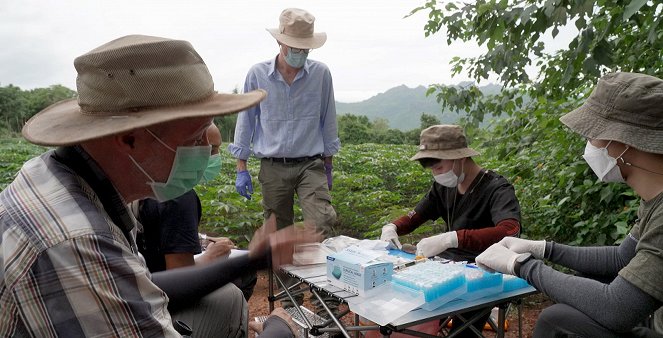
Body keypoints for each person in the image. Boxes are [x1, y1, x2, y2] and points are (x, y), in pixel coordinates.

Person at [0, 34, 319, 337]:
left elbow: (143, 284)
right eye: (195, 139)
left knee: (225, 301)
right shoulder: (77, 240)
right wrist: (281, 329)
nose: (204, 152)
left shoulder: (66, 176)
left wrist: (252, 259)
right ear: (129, 139)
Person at [476, 72, 663, 338]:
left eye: (593, 136)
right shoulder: (653, 199)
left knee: (557, 320)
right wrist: (542, 248)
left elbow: (618, 307)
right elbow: (622, 257)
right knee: (585, 283)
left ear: (622, 142)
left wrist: (521, 265)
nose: (589, 146)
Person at [228, 7, 341, 314]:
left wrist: (328, 165)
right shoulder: (257, 74)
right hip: (272, 164)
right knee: (278, 234)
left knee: (321, 223)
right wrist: (242, 167)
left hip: (310, 163)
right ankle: (291, 304)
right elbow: (246, 121)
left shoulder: (320, 74)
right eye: (295, 48)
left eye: (305, 49)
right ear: (281, 44)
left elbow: (327, 119)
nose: (300, 54)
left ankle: (326, 299)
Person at [380, 124, 522, 337]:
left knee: (464, 331)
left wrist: (453, 238)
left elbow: (510, 230)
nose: (436, 174)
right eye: (432, 170)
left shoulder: (496, 188)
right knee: (400, 310)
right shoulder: (444, 186)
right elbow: (417, 215)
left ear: (460, 158)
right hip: (446, 268)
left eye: (439, 167)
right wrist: (393, 227)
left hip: (483, 271)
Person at [134, 123, 257, 301]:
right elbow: (181, 278)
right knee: (242, 277)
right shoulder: (180, 196)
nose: (214, 156)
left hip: (141, 287)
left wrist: (204, 240)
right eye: (209, 148)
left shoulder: (149, 181)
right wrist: (210, 256)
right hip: (161, 301)